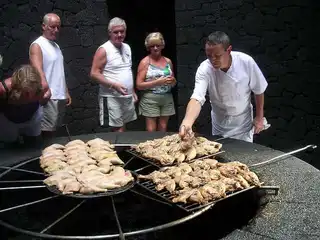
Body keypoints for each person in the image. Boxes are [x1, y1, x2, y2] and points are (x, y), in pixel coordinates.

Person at [179, 31, 268, 143]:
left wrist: (259, 117)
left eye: (217, 56)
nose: (213, 60)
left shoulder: (246, 62)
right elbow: (197, 97)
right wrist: (187, 122)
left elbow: (258, 90)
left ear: (229, 50)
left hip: (242, 122)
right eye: (209, 56)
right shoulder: (204, 68)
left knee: (244, 154)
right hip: (219, 123)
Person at [90, 17, 137, 132]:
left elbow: (127, 70)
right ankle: (116, 149)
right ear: (110, 33)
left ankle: (121, 149)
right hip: (111, 97)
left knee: (124, 125)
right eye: (116, 32)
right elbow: (94, 73)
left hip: (126, 95)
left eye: (122, 31)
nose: (119, 35)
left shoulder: (127, 48)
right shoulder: (104, 49)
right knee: (117, 129)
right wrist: (114, 85)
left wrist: (133, 91)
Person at [29, 13, 71, 139]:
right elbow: (38, 71)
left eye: (58, 27)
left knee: (54, 131)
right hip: (48, 95)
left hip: (60, 95)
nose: (56, 30)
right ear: (44, 26)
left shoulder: (56, 46)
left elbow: (59, 71)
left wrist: (66, 91)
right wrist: (45, 91)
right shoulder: (37, 45)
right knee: (46, 132)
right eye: (52, 27)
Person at [136, 32, 176, 132]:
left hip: (166, 97)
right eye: (152, 46)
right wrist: (157, 82)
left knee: (163, 128)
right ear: (148, 47)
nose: (155, 48)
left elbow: (173, 81)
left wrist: (173, 81)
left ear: (162, 46)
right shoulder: (145, 62)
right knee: (151, 130)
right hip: (151, 98)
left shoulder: (168, 61)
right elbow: (139, 85)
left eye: (157, 45)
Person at [0, 64, 49, 145]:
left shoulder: (43, 89)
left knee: (33, 144)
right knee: (9, 145)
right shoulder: (3, 89)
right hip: (8, 119)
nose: (28, 96)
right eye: (25, 92)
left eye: (31, 92)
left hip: (32, 116)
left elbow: (46, 98)